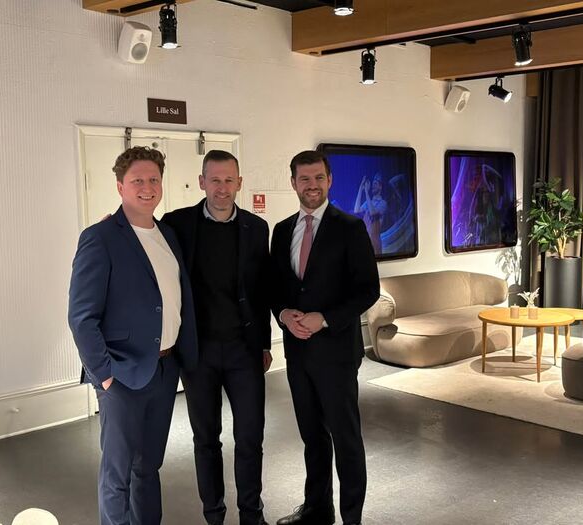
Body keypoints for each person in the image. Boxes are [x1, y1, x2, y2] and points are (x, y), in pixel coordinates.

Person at [68, 146, 198, 525]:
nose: (147, 187)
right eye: (137, 180)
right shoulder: (100, 237)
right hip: (122, 374)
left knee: (149, 467)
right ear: (120, 186)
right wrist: (104, 375)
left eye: (153, 179)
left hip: (165, 370)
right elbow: (81, 317)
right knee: (118, 473)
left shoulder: (168, 235)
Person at [162, 149, 271, 525]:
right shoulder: (177, 224)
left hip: (244, 351)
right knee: (206, 439)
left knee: (251, 438)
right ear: (201, 182)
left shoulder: (257, 229)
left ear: (239, 183)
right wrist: (112, 225)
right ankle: (214, 515)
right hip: (199, 353)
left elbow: (261, 290)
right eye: (215, 180)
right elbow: (143, 239)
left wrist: (265, 343)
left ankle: (251, 515)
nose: (222, 188)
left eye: (229, 180)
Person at [270, 151, 380, 525]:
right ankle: (317, 510)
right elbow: (275, 286)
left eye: (318, 177)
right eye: (304, 178)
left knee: (346, 440)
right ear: (293, 183)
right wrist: (283, 314)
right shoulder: (282, 230)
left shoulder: (350, 227)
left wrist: (326, 319)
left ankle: (352, 518)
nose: (312, 185)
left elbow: (368, 289)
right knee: (312, 437)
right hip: (297, 353)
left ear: (329, 180)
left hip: (336, 353)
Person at [353, 173, 388, 254]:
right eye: (372, 184)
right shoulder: (368, 203)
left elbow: (373, 213)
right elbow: (356, 210)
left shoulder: (383, 203)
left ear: (380, 187)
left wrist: (366, 192)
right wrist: (360, 189)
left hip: (375, 244)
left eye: (375, 183)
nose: (372, 186)